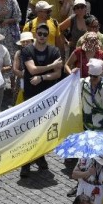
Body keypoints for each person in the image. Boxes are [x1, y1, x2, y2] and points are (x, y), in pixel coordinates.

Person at [19, 22, 63, 178]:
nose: (43, 36)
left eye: (45, 34)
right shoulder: (27, 50)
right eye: (40, 34)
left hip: (48, 98)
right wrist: (50, 66)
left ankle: (40, 156)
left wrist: (42, 77)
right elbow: (32, 69)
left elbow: (58, 74)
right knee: (29, 131)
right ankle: (25, 163)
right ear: (35, 34)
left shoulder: (54, 50)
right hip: (31, 97)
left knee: (43, 129)